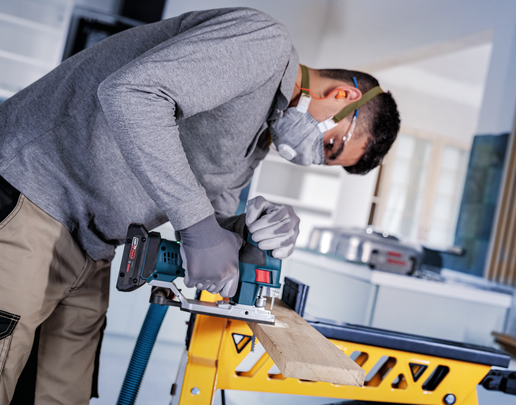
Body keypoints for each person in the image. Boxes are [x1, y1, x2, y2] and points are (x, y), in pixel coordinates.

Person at [0, 7, 400, 404]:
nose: (310, 157)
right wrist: (198, 226)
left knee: (61, 394)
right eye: (330, 146)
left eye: (323, 160)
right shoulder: (264, 44)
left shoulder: (258, 139)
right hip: (34, 197)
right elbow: (132, 94)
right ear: (343, 96)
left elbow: (213, 217)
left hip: (93, 247)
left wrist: (250, 229)